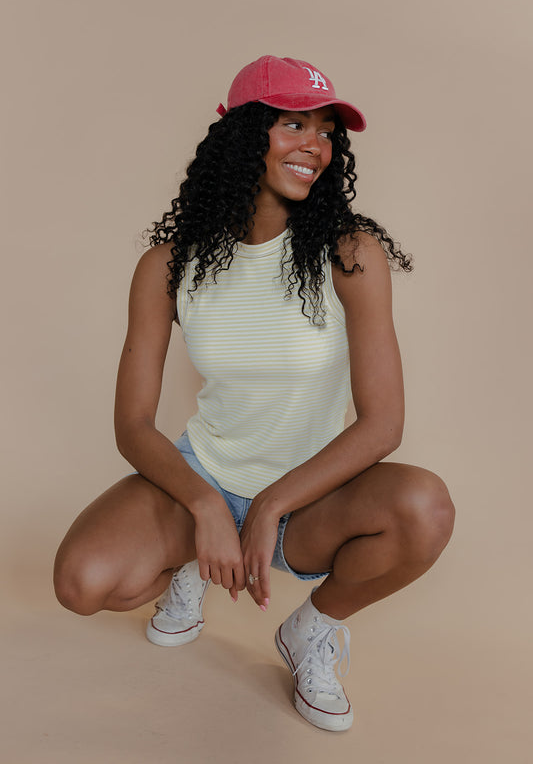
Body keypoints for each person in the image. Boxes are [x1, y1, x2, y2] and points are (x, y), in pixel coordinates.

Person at [54, 55, 455, 732]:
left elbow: (382, 423)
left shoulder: (350, 254)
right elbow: (132, 423)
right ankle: (189, 564)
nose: (315, 146)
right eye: (292, 123)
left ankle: (312, 630)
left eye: (326, 130)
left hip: (310, 499)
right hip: (205, 473)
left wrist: (271, 503)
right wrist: (206, 503)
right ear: (241, 135)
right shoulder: (167, 265)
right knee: (82, 581)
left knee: (423, 507)